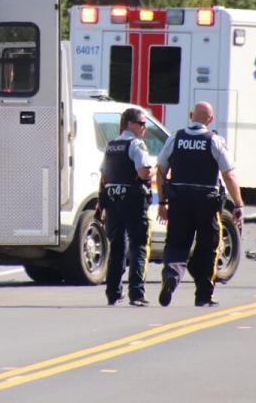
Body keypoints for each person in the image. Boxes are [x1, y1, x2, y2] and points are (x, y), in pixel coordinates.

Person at [156, 101, 244, 308]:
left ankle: (172, 274)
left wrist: (162, 201)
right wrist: (238, 204)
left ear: (190, 115)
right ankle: (203, 295)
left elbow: (160, 169)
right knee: (208, 248)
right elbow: (229, 175)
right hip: (206, 203)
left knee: (177, 244)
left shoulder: (175, 138)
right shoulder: (214, 140)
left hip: (179, 201)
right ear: (210, 120)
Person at [98, 107, 153, 306]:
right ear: (130, 124)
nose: (145, 128)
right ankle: (136, 294)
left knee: (117, 248)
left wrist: (101, 203)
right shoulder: (136, 144)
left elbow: (104, 176)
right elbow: (144, 172)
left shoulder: (111, 145)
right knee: (138, 245)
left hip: (113, 201)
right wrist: (149, 176)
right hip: (133, 201)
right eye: (142, 123)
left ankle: (113, 293)